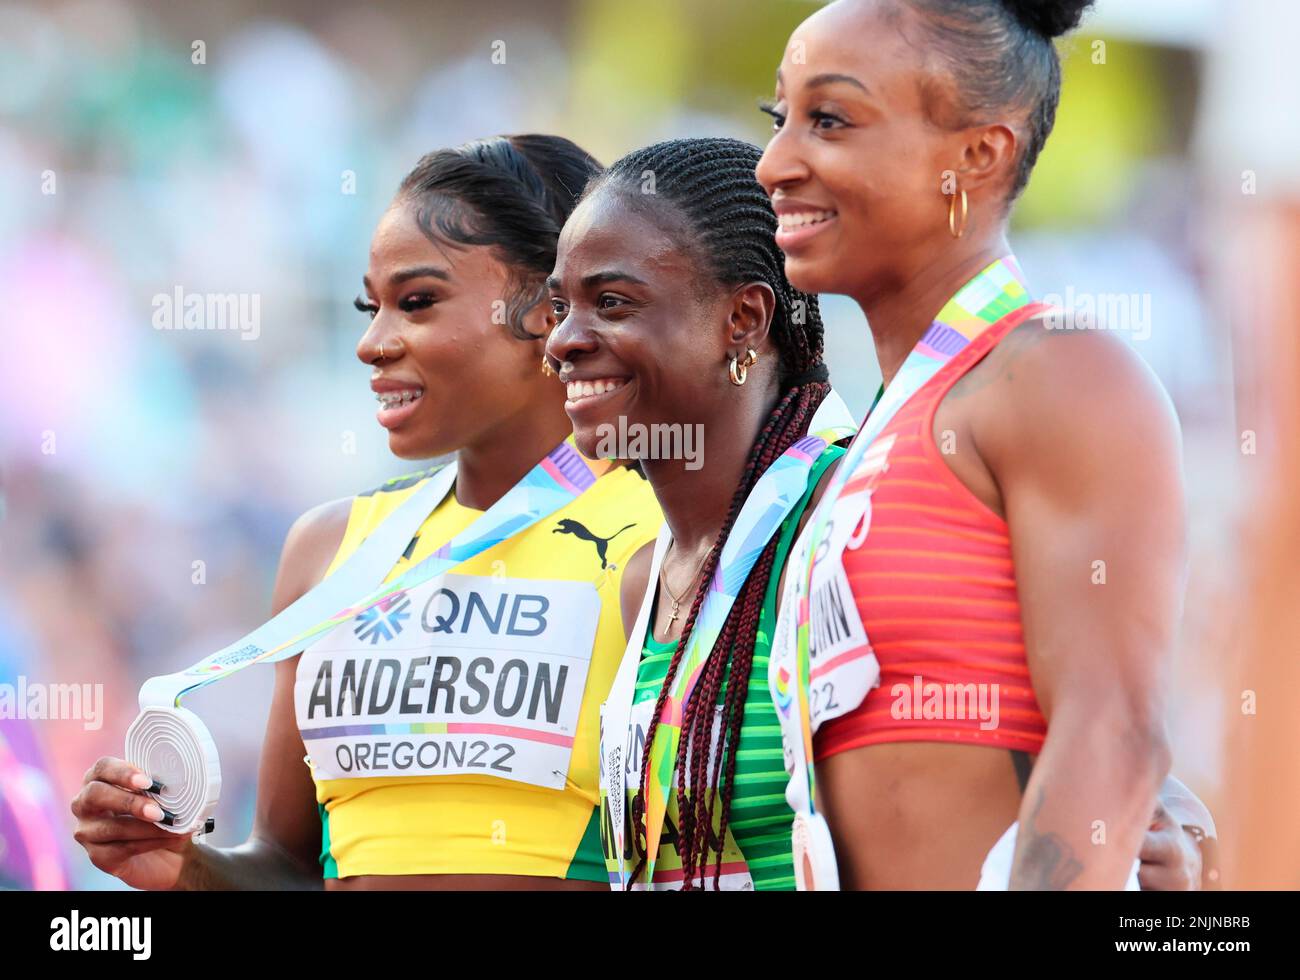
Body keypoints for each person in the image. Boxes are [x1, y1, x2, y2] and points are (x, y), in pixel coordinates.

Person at [546, 136, 1207, 890]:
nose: (564, 340)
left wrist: (1185, 843)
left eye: (612, 303)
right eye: (560, 306)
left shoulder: (846, 521)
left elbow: (1104, 754)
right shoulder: (647, 582)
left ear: (743, 318)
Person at [70, 135, 662, 890]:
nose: (371, 344)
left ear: (550, 311)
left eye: (416, 302)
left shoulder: (665, 534)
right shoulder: (330, 549)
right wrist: (184, 867)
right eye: (369, 306)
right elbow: (286, 865)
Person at [755, 0, 1204, 888]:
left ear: (978, 155)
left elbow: (1114, 731)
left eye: (830, 120)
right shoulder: (871, 434)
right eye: (779, 119)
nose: (775, 163)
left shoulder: (1059, 374)